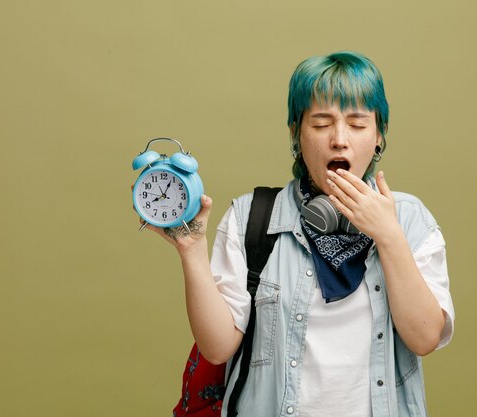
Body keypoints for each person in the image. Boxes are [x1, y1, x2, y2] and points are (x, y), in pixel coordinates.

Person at [140, 51, 454, 417]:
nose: (339, 139)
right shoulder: (251, 218)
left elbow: (424, 337)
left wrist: (389, 237)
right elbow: (217, 347)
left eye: (357, 123)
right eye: (321, 124)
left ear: (379, 136)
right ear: (296, 134)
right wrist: (192, 249)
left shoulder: (411, 221)